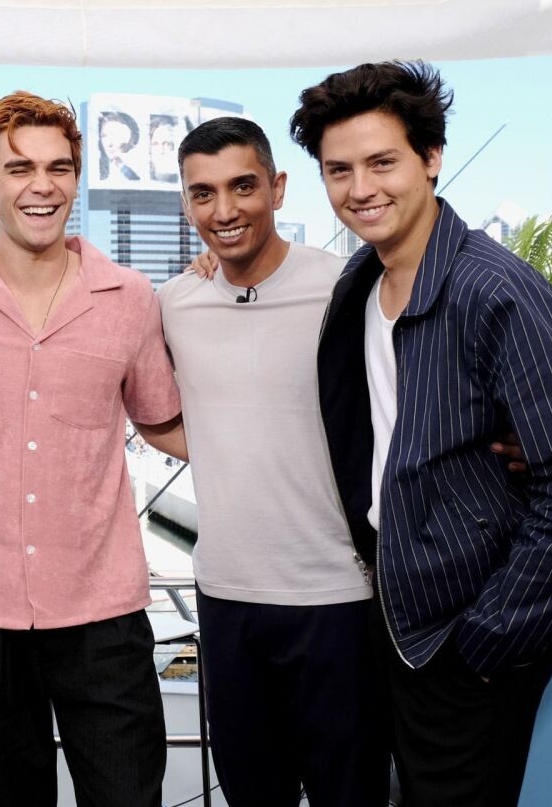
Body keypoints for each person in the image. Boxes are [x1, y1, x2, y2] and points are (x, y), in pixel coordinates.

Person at [294, 60, 552, 806]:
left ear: (431, 157)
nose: (361, 189)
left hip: (471, 628)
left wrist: (490, 635)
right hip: (396, 612)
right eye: (339, 170)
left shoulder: (495, 289)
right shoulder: (360, 282)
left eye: (382, 162)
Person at [0, 91, 184, 807]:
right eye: (20, 168)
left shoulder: (131, 297)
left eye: (59, 168)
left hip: (103, 609)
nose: (43, 185)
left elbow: (164, 422)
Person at [158, 116, 386, 806]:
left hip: (338, 598)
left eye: (243, 186)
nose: (224, 210)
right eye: (203, 194)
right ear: (186, 204)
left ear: (278, 188)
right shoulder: (173, 303)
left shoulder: (348, 286)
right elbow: (148, 404)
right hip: (227, 601)